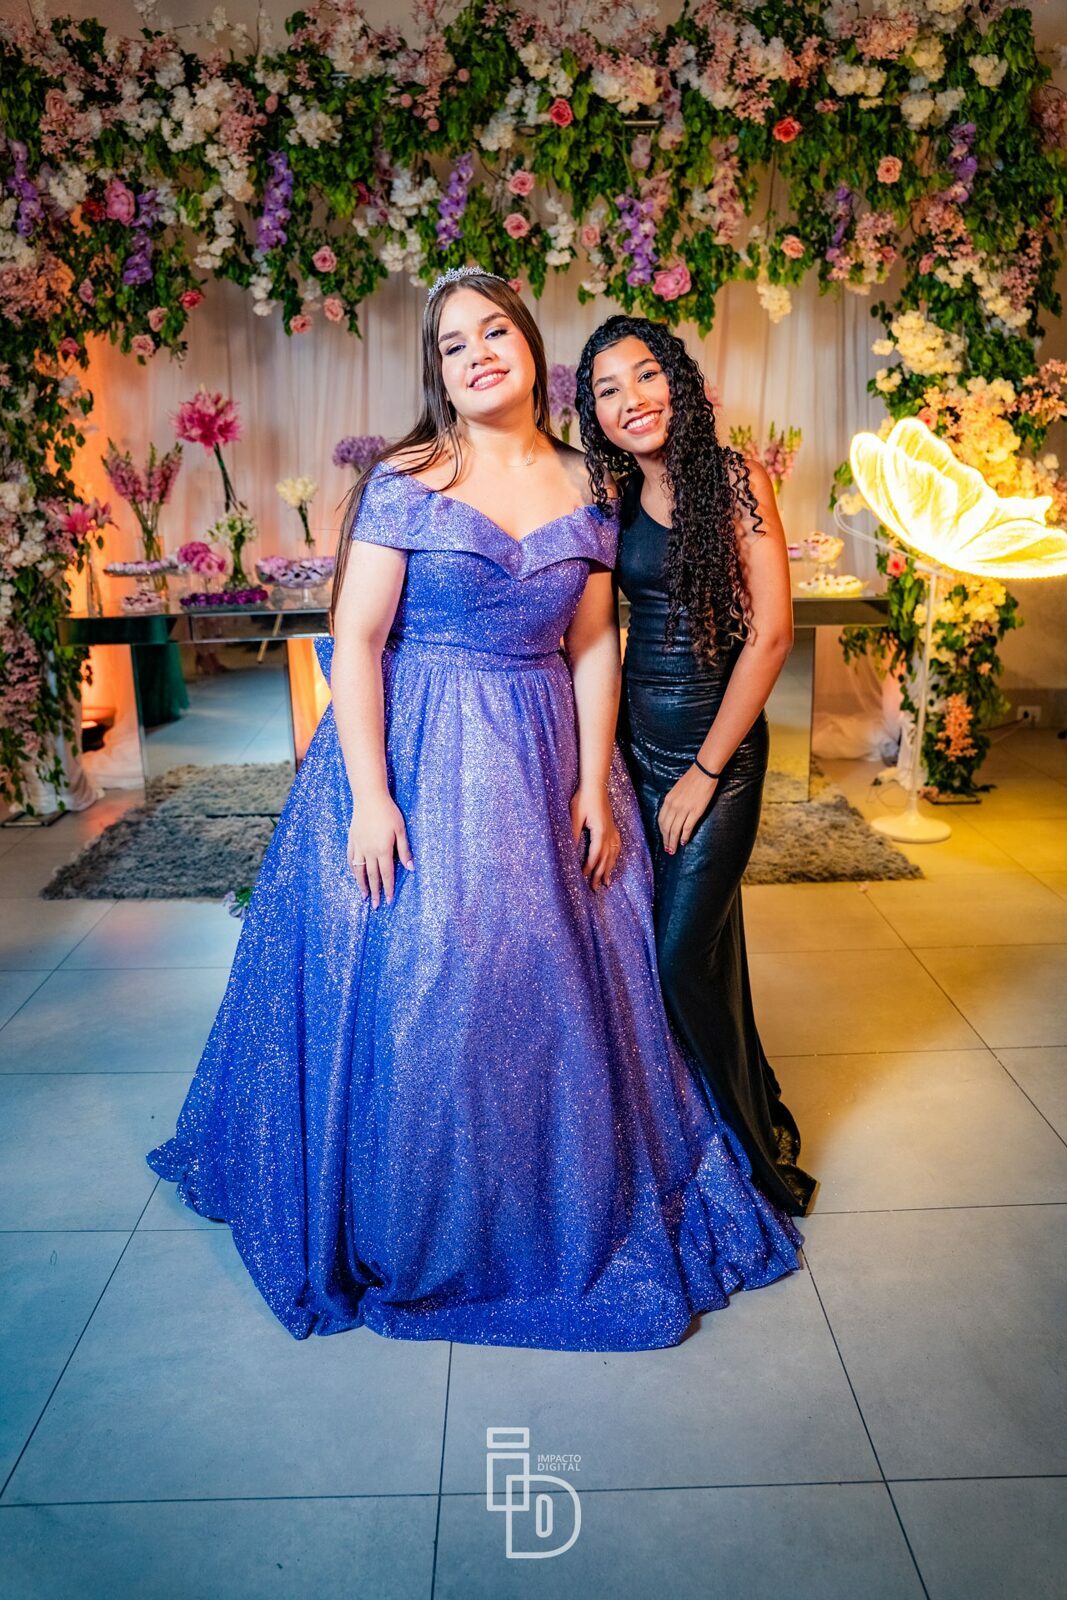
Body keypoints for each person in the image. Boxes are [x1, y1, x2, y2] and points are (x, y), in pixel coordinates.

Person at [146, 269, 803, 1350]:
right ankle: (421, 1208)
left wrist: (591, 785)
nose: (478, 353)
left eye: (495, 331)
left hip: (540, 741)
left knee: (553, 967)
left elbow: (592, 644)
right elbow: (358, 640)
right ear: (440, 375)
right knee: (429, 968)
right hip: (415, 745)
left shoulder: (590, 483)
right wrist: (369, 797)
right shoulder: (408, 477)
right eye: (454, 345)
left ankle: (555, 1194)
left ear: (531, 349)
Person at [575, 315, 817, 1217]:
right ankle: (746, 1104)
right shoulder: (610, 496)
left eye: (645, 375)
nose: (631, 400)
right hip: (637, 748)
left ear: (677, 380)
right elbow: (598, 636)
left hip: (718, 755)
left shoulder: (735, 478)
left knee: (679, 959)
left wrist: (706, 771)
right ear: (593, 414)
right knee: (707, 945)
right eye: (607, 389)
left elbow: (772, 635)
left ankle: (757, 1159)